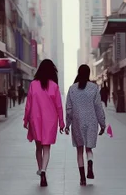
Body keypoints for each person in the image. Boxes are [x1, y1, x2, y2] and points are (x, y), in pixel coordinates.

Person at [23, 59, 65, 187]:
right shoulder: (54, 86)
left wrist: (25, 119)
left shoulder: (33, 85)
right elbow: (59, 106)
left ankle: (40, 167)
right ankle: (43, 171)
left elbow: (28, 105)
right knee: (46, 148)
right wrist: (62, 123)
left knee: (38, 147)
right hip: (50, 121)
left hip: (35, 119)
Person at [65, 64, 106, 186]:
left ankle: (82, 178)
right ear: (88, 73)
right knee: (89, 149)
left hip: (78, 122)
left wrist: (67, 124)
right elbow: (98, 107)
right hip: (91, 122)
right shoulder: (94, 88)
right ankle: (90, 165)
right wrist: (102, 124)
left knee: (79, 151)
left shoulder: (72, 89)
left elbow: (69, 109)